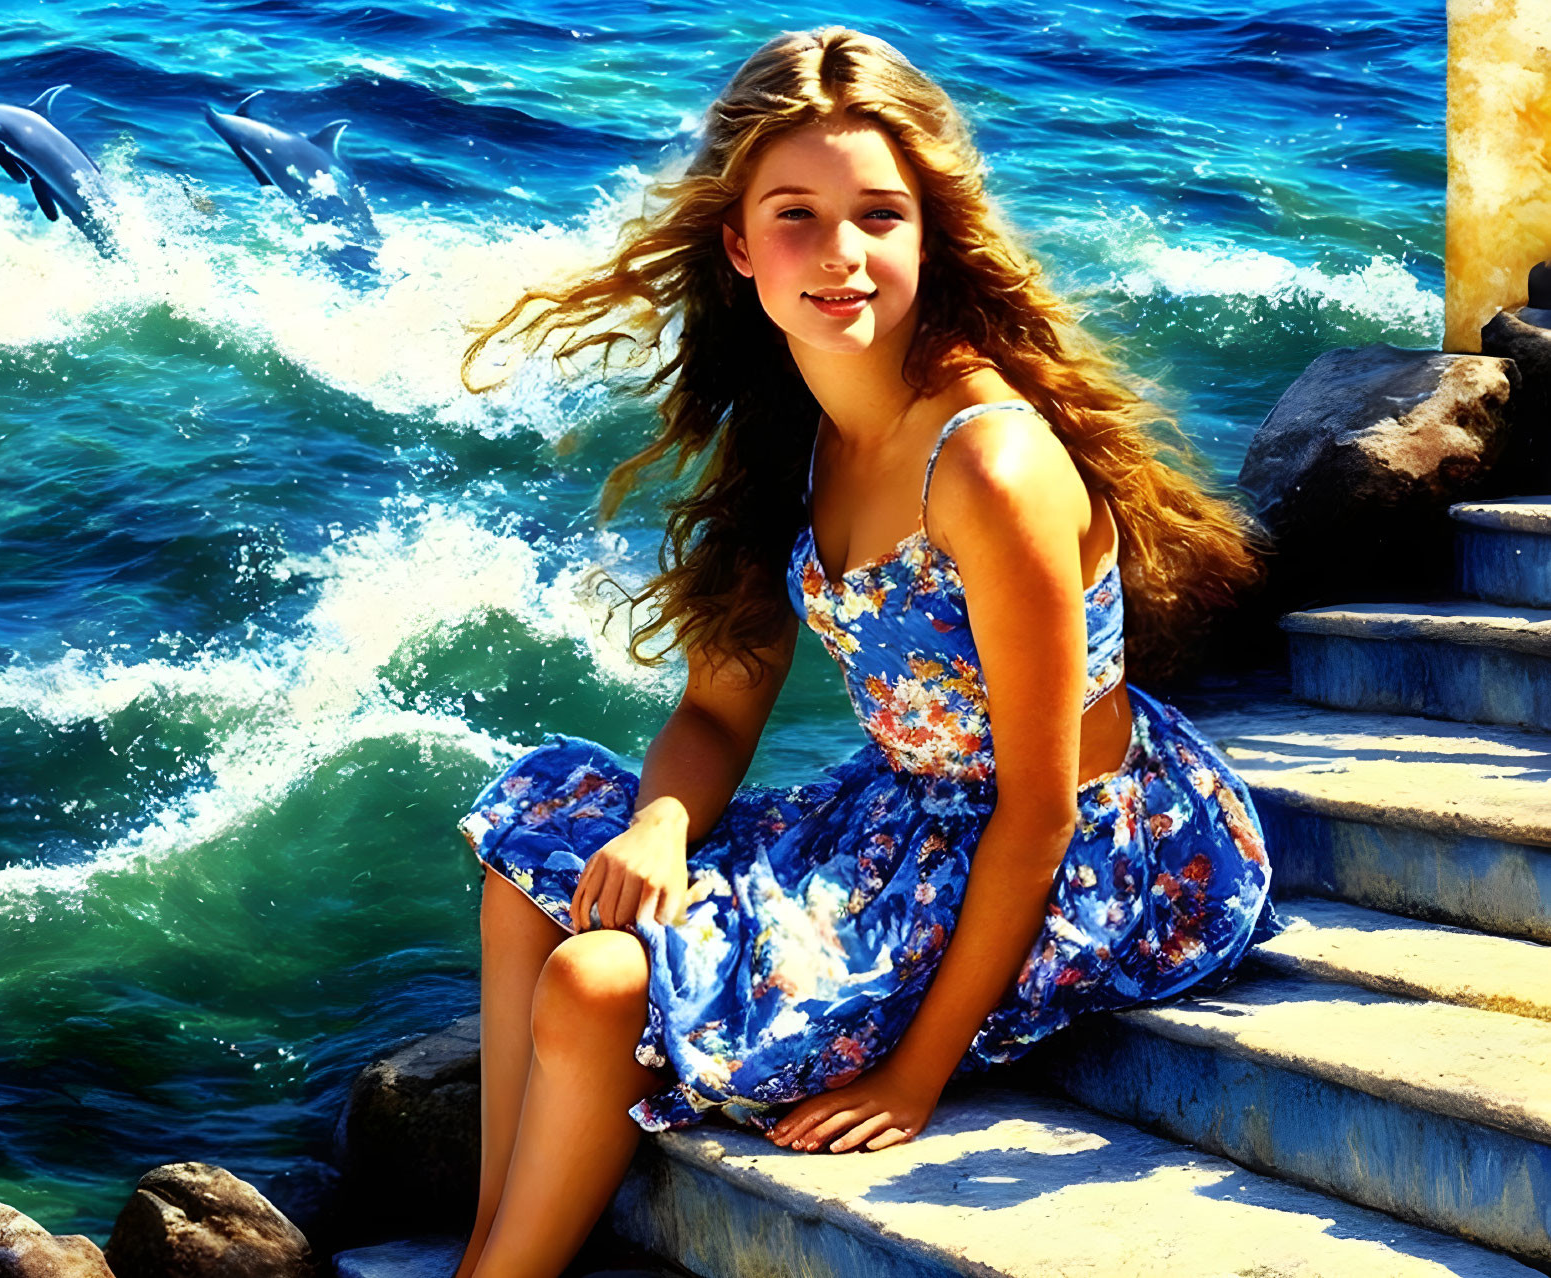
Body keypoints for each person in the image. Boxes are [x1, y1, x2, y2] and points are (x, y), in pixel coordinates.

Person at [451, 26, 1276, 1278]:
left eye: (877, 214)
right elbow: (718, 716)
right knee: (537, 867)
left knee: (596, 984)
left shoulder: (985, 464)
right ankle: (487, 1252)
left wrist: (910, 1076)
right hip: (904, 814)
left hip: (1081, 854)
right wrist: (662, 825)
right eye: (795, 215)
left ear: (925, 233)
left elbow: (1040, 808)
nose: (839, 253)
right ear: (736, 246)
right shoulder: (799, 429)